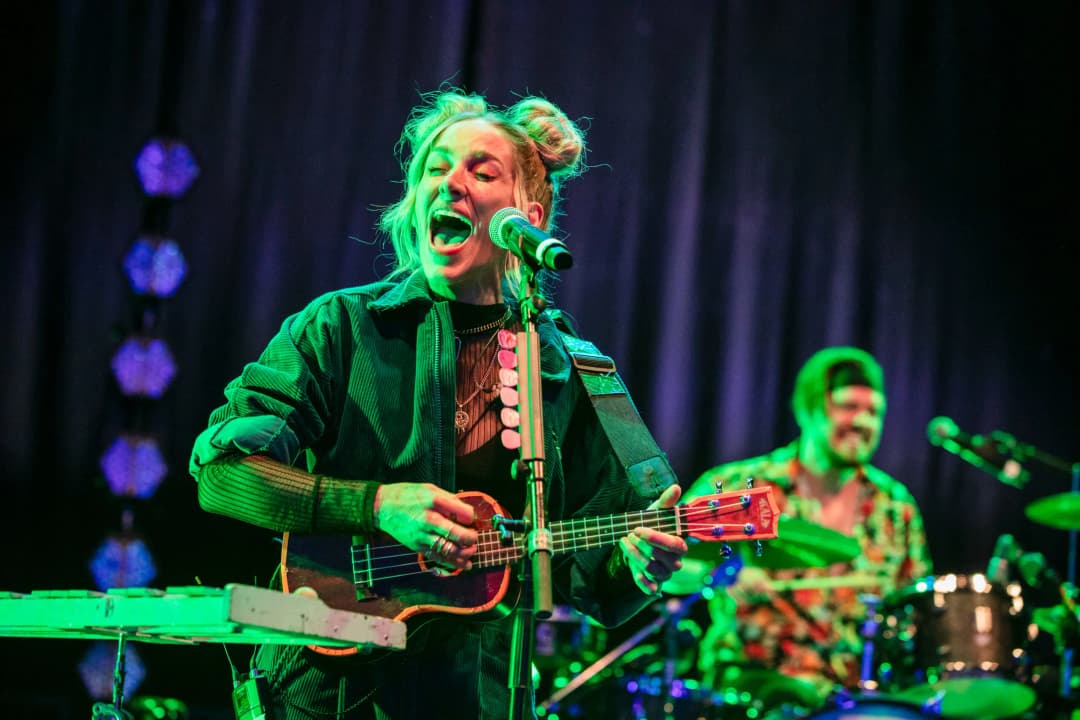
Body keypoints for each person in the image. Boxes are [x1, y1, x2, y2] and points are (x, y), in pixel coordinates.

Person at [188, 87, 688, 720]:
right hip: (322, 691)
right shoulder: (340, 328)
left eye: (482, 171)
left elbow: (584, 567)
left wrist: (635, 566)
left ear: (529, 216)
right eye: (435, 167)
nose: (449, 182)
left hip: (480, 697)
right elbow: (223, 475)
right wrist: (373, 504)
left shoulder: (569, 366)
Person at [683, 347, 931, 712]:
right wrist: (720, 572)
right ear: (808, 409)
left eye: (874, 412)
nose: (863, 421)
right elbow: (670, 564)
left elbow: (916, 611)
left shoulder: (897, 508)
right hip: (748, 685)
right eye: (848, 406)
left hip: (852, 693)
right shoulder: (738, 487)